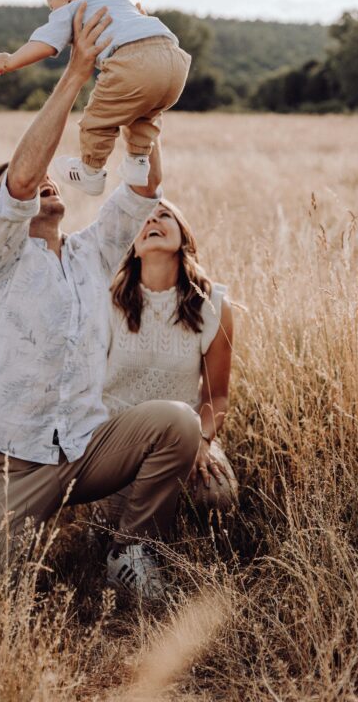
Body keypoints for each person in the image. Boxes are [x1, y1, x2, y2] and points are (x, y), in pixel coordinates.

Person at [0, 2, 201, 601]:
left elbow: (143, 190)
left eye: (49, 178)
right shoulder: (2, 260)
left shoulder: (91, 253)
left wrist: (141, 103)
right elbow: (20, 179)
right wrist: (76, 72)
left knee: (176, 423)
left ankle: (130, 553)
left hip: (88, 448)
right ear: (1, 213)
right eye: (24, 184)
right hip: (14, 461)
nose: (44, 181)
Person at [94, 199, 238, 529]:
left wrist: (200, 441)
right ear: (133, 247)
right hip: (117, 436)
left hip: (179, 436)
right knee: (117, 519)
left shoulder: (212, 306)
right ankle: (116, 535)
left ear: (183, 236)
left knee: (216, 495)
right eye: (143, 219)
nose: (152, 220)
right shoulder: (107, 302)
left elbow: (217, 397)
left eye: (163, 215)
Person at [0, 0, 191, 195]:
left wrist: (10, 60)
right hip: (175, 60)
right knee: (145, 111)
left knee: (98, 116)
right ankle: (138, 162)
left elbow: (44, 44)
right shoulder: (122, 3)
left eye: (51, 7)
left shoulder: (75, 8)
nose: (53, 13)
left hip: (134, 62)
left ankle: (90, 171)